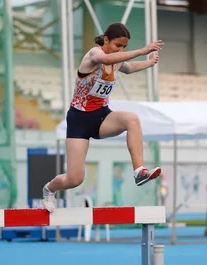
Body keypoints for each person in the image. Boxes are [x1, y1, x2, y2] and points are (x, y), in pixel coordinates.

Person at [42, 23, 163, 213]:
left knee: (132, 119)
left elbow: (129, 67)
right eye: (117, 46)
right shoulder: (94, 55)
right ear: (105, 40)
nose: (121, 50)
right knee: (75, 179)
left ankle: (139, 171)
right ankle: (49, 189)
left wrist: (149, 61)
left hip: (101, 117)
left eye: (124, 47)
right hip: (79, 120)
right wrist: (142, 50)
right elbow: (106, 60)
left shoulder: (116, 59)